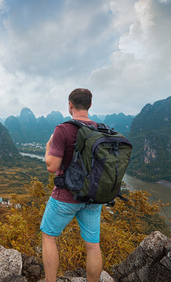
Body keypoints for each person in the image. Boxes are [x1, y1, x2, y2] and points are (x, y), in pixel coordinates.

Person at [40, 88, 103, 282]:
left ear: (70, 105)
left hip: (66, 196)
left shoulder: (63, 129)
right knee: (93, 245)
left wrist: (48, 148)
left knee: (49, 236)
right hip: (93, 197)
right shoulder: (101, 129)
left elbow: (52, 167)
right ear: (90, 105)